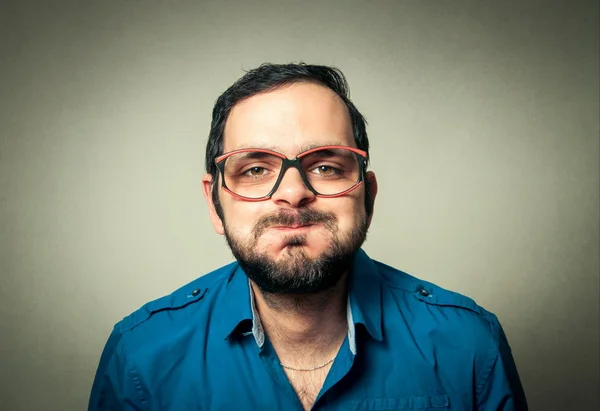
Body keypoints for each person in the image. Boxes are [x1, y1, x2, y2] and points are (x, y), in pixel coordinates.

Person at [88, 63, 528, 411]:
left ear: (368, 198)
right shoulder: (141, 356)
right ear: (214, 204)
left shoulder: (469, 346)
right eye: (255, 169)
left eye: (326, 166)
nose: (294, 192)